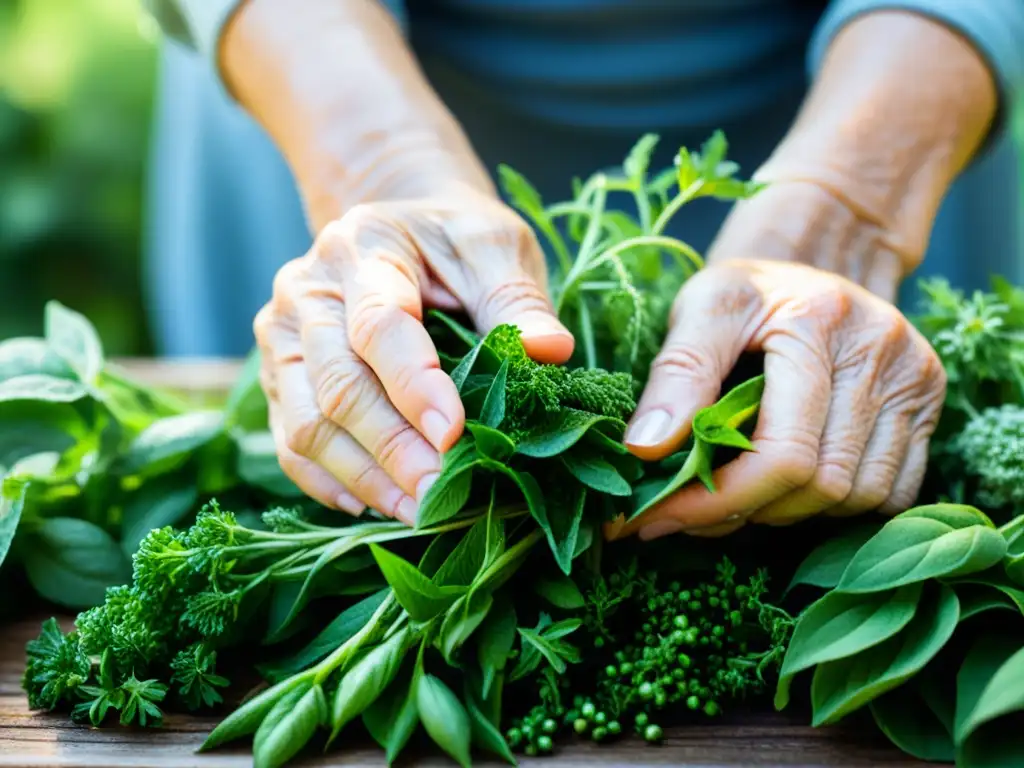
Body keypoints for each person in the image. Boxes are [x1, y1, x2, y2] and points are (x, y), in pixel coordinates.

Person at [143, 0, 1023, 539]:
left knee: (828, 456)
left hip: (882, 94)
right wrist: (378, 167)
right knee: (350, 420)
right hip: (326, 80)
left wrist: (849, 205)